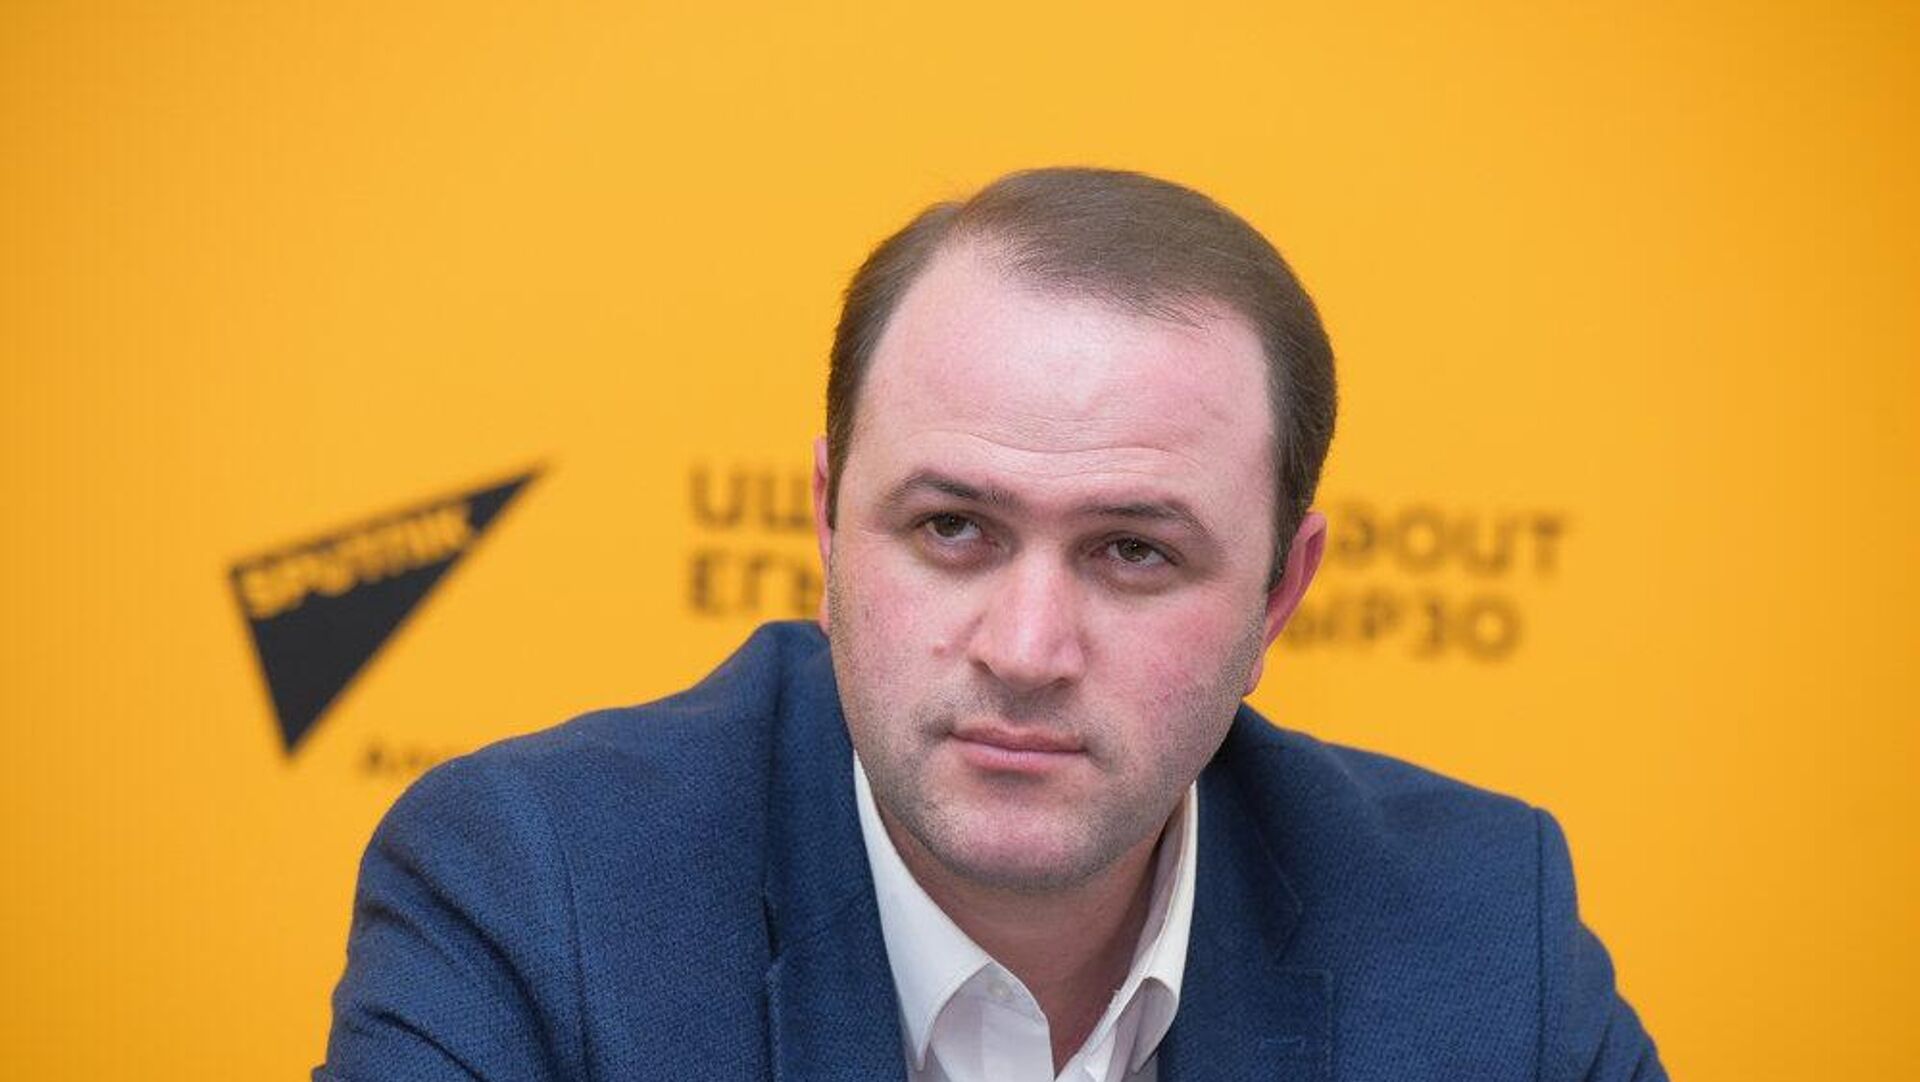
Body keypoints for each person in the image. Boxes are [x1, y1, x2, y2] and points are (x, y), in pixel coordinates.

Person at [317, 168, 1665, 1081]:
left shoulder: (1481, 936)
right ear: (828, 526)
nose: (1025, 650)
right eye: (953, 528)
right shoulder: (536, 894)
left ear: (1279, 594)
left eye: (1134, 551)